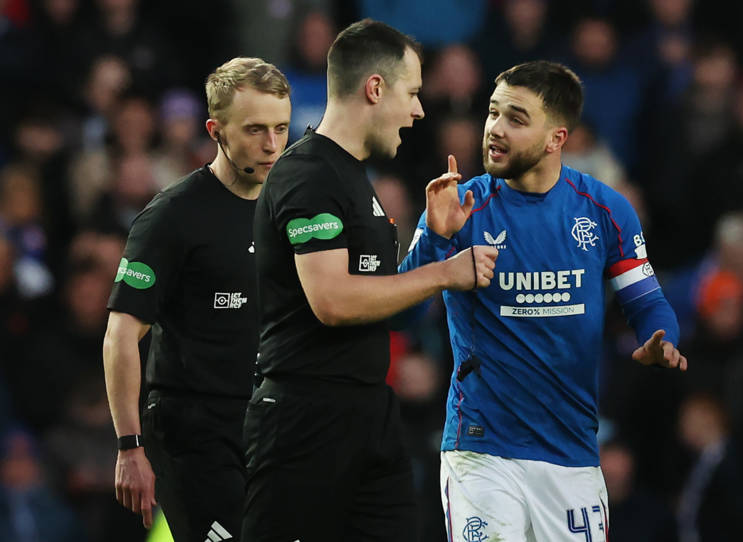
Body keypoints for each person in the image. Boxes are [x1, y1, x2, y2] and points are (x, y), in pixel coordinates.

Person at [400, 60, 687, 541]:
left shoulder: (605, 210)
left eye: (515, 118)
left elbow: (646, 302)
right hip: (482, 449)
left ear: (557, 138)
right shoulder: (459, 207)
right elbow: (402, 316)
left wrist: (663, 338)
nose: (495, 128)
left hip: (571, 451)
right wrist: (433, 240)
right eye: (493, 112)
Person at [242, 19, 498, 542]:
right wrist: (445, 272)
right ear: (375, 88)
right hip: (304, 422)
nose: (419, 110)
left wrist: (435, 240)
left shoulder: (356, 180)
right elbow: (333, 301)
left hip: (369, 416)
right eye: (412, 92)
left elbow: (389, 309)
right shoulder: (307, 175)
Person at [102, 57, 291, 541]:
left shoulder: (291, 210)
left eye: (281, 128)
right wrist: (129, 446)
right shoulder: (172, 216)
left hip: (270, 426)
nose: (272, 145)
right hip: (193, 435)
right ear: (215, 130)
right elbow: (121, 334)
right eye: (255, 130)